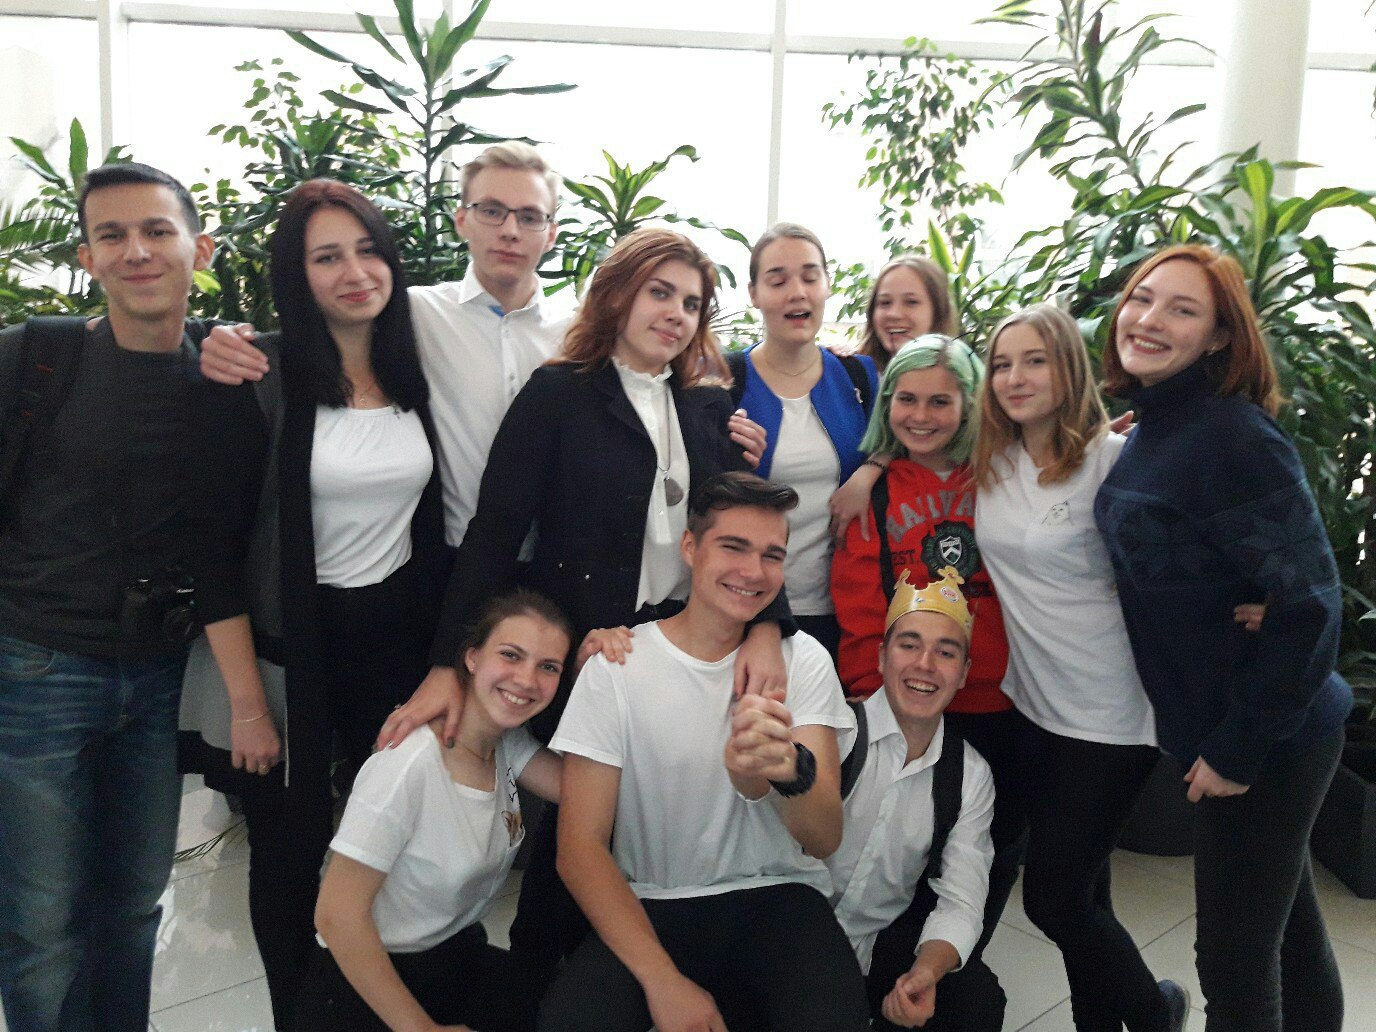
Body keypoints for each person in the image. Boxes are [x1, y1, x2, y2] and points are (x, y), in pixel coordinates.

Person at [180, 178, 450, 1028]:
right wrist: (248, 707)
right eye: (327, 257)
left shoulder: (415, 370)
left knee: (393, 844)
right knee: (289, 857)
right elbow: (215, 555)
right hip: (289, 650)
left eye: (368, 250)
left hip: (391, 647)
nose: (354, 272)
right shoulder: (258, 374)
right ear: (296, 277)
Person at [1095, 244, 1351, 1032]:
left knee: (1235, 966)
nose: (1148, 319)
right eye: (1142, 298)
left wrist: (1237, 750)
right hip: (1227, 724)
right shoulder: (1160, 423)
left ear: (1217, 337)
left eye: (1182, 309)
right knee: (1288, 937)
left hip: (1266, 737)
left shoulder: (1232, 435)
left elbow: (1312, 603)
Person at [0, 162, 213, 1032]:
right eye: (112, 235)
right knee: (41, 921)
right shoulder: (35, 357)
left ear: (199, 248)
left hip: (161, 674)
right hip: (37, 667)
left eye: (157, 231)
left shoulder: (228, 368)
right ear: (88, 257)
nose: (137, 251)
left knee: (134, 902)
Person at [540, 471, 867, 1032]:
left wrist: (788, 771)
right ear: (690, 547)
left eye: (771, 555)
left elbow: (824, 838)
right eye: (733, 547)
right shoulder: (617, 665)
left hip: (779, 895)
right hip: (651, 901)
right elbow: (579, 849)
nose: (753, 571)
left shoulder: (804, 660)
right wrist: (663, 982)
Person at [970, 303, 1189, 1032]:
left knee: (1054, 899)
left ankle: (1155, 1013)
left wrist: (1257, 601)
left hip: (1110, 715)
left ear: (1068, 368)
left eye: (1034, 361)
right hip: (1032, 706)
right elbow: (912, 428)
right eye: (1002, 364)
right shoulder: (994, 461)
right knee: (1089, 892)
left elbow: (1191, 546)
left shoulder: (1113, 459)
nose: (1014, 377)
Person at [830, 334, 1019, 977]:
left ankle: (948, 966)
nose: (921, 415)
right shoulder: (875, 493)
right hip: (904, 700)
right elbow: (859, 603)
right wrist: (870, 693)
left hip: (997, 701)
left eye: (940, 401)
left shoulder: (999, 475)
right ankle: (883, 965)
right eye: (906, 399)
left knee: (983, 851)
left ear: (970, 404)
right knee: (896, 847)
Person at [296, 590, 570, 1032]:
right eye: (511, 655)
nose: (526, 679)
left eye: (549, 667)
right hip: (367, 984)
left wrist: (602, 668)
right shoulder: (408, 764)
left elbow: (584, 793)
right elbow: (336, 915)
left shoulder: (504, 740)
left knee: (568, 1005)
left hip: (453, 957)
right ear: (472, 658)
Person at [829, 566, 1002, 1032]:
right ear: (881, 657)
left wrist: (925, 972)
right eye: (909, 645)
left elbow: (962, 899)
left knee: (977, 1001)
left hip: (881, 943)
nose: (925, 664)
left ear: (963, 674)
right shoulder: (834, 733)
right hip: (794, 937)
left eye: (945, 652)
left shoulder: (970, 776)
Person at [728, 222, 879, 658]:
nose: (797, 292)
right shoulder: (722, 382)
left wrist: (871, 470)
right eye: (778, 281)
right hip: (745, 608)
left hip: (844, 609)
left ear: (827, 285)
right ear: (754, 294)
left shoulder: (858, 376)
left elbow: (903, 441)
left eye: (810, 277)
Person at [856, 255, 958, 373]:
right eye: (885, 302)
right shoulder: (851, 376)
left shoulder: (964, 379)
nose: (894, 314)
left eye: (911, 302)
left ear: (938, 310)